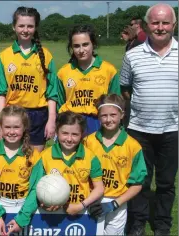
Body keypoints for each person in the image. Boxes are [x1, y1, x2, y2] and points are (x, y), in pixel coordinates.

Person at [120, 4, 178, 236]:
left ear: (174, 25)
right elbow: (126, 88)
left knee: (166, 184)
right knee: (140, 183)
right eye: (155, 22)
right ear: (146, 25)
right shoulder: (132, 54)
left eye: (165, 23)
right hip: (139, 129)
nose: (160, 27)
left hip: (173, 130)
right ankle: (137, 224)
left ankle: (162, 225)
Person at [0, 7, 59, 151]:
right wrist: (0, 123)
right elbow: (0, 93)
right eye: (21, 26)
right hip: (12, 115)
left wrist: (51, 120)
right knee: (13, 158)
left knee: (35, 160)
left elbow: (52, 93)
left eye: (30, 26)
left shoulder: (46, 56)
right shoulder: (4, 56)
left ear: (36, 27)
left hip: (38, 115)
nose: (25, 30)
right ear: (14, 27)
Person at [84, 94, 147, 235]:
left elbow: (137, 184)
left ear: (122, 115)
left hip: (117, 203)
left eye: (113, 115)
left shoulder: (133, 146)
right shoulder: (88, 142)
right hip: (91, 199)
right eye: (104, 115)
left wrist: (115, 204)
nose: (108, 119)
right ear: (98, 116)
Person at [29, 111, 104, 216]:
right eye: (65, 133)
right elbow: (36, 186)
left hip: (81, 212)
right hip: (51, 213)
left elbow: (99, 188)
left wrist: (81, 206)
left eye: (75, 134)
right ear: (56, 132)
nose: (69, 139)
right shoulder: (45, 156)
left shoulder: (91, 158)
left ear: (82, 134)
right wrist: (44, 201)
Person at [0, 105, 41, 235]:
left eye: (16, 127)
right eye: (7, 127)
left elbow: (35, 189)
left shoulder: (34, 155)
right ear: (1, 128)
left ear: (24, 127)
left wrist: (22, 218)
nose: (12, 131)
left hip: (25, 211)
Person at [57, 24, 121, 136]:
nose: (81, 50)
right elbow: (59, 103)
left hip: (98, 122)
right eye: (76, 46)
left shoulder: (109, 70)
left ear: (93, 44)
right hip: (71, 123)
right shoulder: (63, 72)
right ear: (71, 47)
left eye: (85, 44)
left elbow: (115, 104)